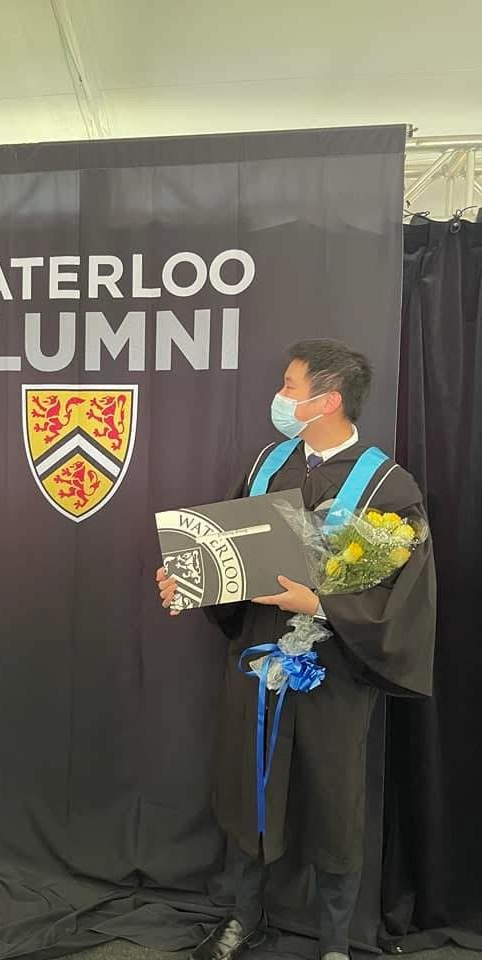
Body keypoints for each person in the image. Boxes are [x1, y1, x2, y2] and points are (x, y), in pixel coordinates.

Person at [156, 339, 436, 960]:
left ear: (328, 400)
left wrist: (321, 604)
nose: (279, 397)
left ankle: (335, 943)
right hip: (258, 660)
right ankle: (243, 917)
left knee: (333, 804)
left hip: (333, 672)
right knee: (250, 790)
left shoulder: (388, 486)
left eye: (289, 386)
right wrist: (189, 576)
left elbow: (406, 599)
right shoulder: (269, 465)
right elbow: (229, 553)